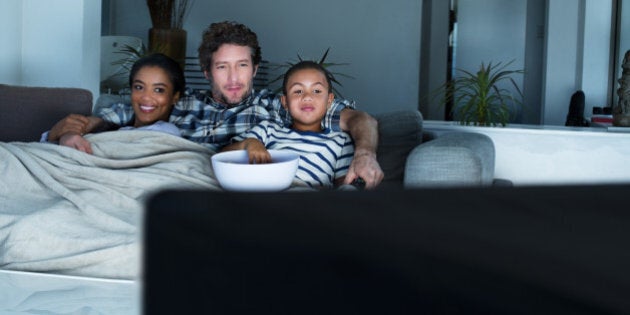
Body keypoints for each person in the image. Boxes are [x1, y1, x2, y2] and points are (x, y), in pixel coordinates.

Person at [47, 21, 384, 188]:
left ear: (254, 69)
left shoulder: (279, 106)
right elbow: (95, 120)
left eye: (242, 66)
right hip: (162, 180)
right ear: (207, 71)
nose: (234, 78)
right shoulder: (175, 102)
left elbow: (360, 119)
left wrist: (365, 153)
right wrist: (69, 135)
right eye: (223, 67)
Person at [223, 61, 354, 189]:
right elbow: (222, 156)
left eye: (316, 91)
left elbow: (344, 185)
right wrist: (248, 143)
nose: (307, 97)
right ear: (285, 102)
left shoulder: (341, 141)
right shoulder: (268, 130)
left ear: (329, 100)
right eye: (298, 91)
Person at [50, 53, 184, 154]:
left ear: (175, 97)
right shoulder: (115, 122)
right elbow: (56, 136)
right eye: (139, 87)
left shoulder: (169, 132)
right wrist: (68, 134)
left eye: (159, 90)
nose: (146, 97)